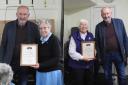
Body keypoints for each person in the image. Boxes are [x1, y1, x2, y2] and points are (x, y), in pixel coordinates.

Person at [0, 6, 40, 85]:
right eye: (20, 14)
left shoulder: (34, 27)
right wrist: (1, 62)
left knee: (23, 82)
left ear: (28, 15)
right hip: (10, 61)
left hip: (26, 63)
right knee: (7, 82)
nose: (22, 16)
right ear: (16, 14)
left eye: (25, 14)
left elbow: (38, 45)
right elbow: (3, 45)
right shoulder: (8, 26)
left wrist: (36, 59)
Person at [95, 7, 128, 85]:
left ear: (111, 13)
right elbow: (97, 43)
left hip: (119, 53)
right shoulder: (98, 27)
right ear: (101, 15)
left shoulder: (119, 22)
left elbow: (125, 38)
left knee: (122, 75)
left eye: (107, 13)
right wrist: (99, 57)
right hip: (106, 55)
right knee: (107, 76)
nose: (106, 16)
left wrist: (127, 54)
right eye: (104, 14)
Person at [31, 19, 63, 85]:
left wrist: (40, 65)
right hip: (41, 71)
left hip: (52, 72)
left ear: (49, 28)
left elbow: (56, 58)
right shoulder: (39, 40)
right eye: (40, 28)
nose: (43, 30)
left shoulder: (54, 39)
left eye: (45, 28)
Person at [68, 19, 95, 85]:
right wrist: (82, 57)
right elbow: (71, 52)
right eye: (81, 24)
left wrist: (94, 52)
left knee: (89, 81)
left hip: (89, 64)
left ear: (87, 26)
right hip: (77, 65)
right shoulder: (73, 36)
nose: (83, 26)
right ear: (79, 26)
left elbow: (93, 47)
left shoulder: (91, 35)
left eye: (85, 24)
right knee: (79, 82)